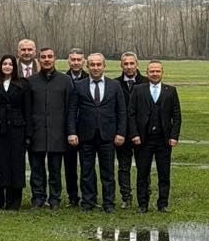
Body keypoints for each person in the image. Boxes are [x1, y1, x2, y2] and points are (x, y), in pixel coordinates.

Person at [67, 52, 127, 212]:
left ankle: (108, 203)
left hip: (108, 135)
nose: (95, 67)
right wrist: (72, 132)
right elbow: (72, 111)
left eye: (98, 64)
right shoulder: (79, 85)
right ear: (87, 66)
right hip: (85, 135)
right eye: (92, 64)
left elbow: (121, 111)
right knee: (86, 171)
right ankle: (88, 201)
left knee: (108, 172)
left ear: (104, 66)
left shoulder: (114, 85)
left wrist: (121, 133)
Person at [128, 60, 182, 213]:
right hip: (143, 139)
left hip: (163, 140)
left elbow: (176, 116)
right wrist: (134, 135)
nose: (155, 74)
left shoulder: (170, 91)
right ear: (147, 72)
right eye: (152, 71)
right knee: (142, 173)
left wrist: (174, 136)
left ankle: (162, 204)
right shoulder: (138, 90)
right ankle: (143, 204)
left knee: (164, 173)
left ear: (162, 72)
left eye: (157, 71)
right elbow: (131, 114)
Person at [25, 47, 69, 208]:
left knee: (55, 169)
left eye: (50, 56)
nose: (46, 60)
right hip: (37, 132)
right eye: (43, 57)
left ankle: (55, 198)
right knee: (36, 169)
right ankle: (38, 197)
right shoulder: (31, 82)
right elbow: (27, 109)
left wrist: (68, 131)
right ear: (39, 60)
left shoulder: (65, 81)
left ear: (55, 59)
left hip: (57, 132)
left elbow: (70, 108)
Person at [0, 53, 28, 210]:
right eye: (4, 64)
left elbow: (27, 109)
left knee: (15, 164)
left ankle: (13, 202)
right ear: (0, 66)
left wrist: (27, 133)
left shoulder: (22, 84)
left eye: (10, 64)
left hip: (16, 128)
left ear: (14, 67)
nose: (7, 66)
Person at [115, 51, 145, 208]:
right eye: (125, 64)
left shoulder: (146, 82)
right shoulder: (114, 84)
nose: (128, 66)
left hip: (142, 133)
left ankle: (143, 195)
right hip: (122, 133)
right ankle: (126, 197)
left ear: (137, 64)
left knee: (143, 166)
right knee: (123, 167)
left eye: (131, 63)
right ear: (121, 65)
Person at [64, 47, 87, 207]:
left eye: (79, 60)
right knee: (70, 166)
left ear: (84, 61)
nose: (76, 62)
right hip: (68, 128)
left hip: (87, 128)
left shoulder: (90, 77)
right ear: (68, 61)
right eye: (73, 59)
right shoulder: (63, 79)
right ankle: (73, 197)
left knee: (87, 165)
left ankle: (87, 196)